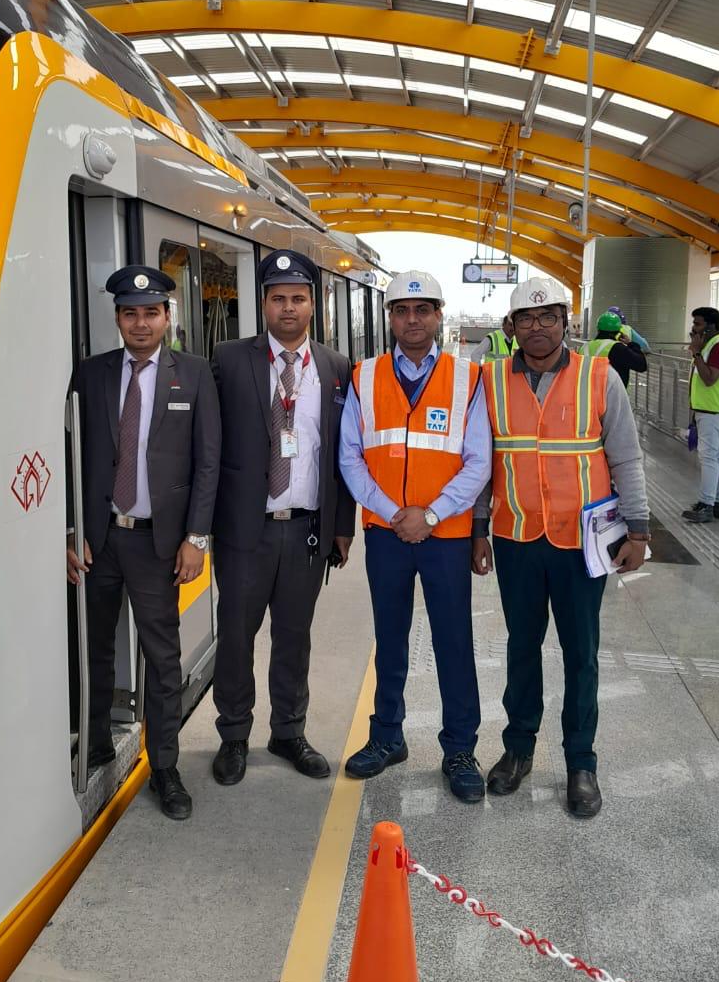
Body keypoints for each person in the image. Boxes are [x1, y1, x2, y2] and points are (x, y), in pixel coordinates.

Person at [472, 276, 649, 819]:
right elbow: (481, 464)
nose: (538, 327)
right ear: (511, 327)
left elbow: (625, 456)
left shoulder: (600, 377)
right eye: (527, 318)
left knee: (582, 654)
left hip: (581, 543)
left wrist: (639, 530)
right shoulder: (491, 380)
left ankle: (581, 762)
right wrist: (479, 530)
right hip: (517, 537)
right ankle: (518, 749)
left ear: (566, 321)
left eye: (549, 316)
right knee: (521, 649)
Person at [66, 265, 220, 820]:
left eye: (150, 312)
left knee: (163, 658)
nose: (140, 323)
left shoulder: (195, 375)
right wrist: (70, 529)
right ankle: (99, 742)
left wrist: (196, 538)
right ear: (117, 319)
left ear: (167, 317)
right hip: (100, 540)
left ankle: (166, 767)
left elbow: (208, 463)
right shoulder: (91, 374)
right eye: (129, 314)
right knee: (93, 647)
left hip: (160, 544)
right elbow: (72, 457)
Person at [339, 270, 491, 801]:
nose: (412, 320)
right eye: (402, 311)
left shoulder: (467, 378)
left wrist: (429, 514)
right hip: (386, 534)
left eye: (422, 310)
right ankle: (387, 737)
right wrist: (393, 512)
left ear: (438, 316)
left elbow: (478, 463)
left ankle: (459, 748)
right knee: (391, 637)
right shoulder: (364, 375)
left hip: (444, 535)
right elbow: (350, 457)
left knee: (454, 642)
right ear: (390, 318)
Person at [209, 249, 355, 787]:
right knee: (236, 637)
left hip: (307, 530)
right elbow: (209, 447)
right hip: (244, 532)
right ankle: (233, 735)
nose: (288, 308)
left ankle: (288, 731)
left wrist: (344, 526)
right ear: (264, 304)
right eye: (278, 299)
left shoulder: (336, 367)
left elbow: (344, 453)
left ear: (313, 305)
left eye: (298, 299)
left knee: (295, 636)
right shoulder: (228, 359)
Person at [682, 306, 719, 524]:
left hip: (715, 411)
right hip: (710, 410)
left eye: (698, 324)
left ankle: (707, 505)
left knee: (709, 457)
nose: (693, 329)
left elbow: (709, 378)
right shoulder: (711, 345)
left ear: (711, 326)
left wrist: (695, 352)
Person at [583, 311, 647, 388]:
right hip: (612, 396)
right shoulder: (617, 348)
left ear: (598, 329)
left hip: (587, 395)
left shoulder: (584, 347)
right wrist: (631, 344)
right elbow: (641, 365)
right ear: (618, 331)